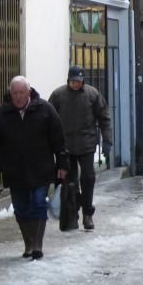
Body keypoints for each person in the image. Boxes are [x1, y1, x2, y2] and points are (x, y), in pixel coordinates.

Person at [0, 75, 69, 260]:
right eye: (14, 93)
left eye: (21, 92)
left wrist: (63, 163)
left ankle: (37, 246)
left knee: (39, 203)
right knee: (21, 208)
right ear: (10, 93)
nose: (18, 96)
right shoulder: (2, 114)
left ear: (29, 92)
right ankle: (28, 243)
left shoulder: (45, 109)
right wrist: (1, 164)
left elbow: (58, 138)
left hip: (41, 168)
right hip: (15, 171)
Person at [48, 66, 112, 231]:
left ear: (83, 80)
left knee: (88, 178)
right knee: (70, 181)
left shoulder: (92, 94)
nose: (76, 84)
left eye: (78, 81)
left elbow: (104, 118)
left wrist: (107, 141)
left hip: (87, 144)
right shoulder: (58, 95)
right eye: (73, 81)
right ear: (68, 80)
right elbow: (49, 119)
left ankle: (87, 213)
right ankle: (72, 211)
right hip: (66, 146)